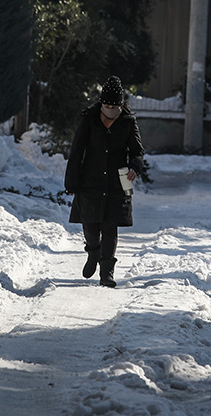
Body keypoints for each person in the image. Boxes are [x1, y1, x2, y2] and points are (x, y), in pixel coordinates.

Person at [64, 76, 144, 288]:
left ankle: (107, 272)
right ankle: (93, 252)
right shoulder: (89, 119)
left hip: (119, 180)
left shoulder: (128, 121)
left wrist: (135, 166)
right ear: (101, 103)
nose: (110, 109)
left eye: (114, 106)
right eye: (106, 105)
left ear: (120, 105)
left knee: (110, 226)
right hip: (90, 178)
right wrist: (72, 183)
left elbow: (137, 150)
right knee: (90, 224)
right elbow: (77, 151)